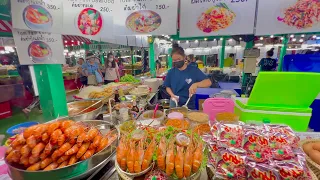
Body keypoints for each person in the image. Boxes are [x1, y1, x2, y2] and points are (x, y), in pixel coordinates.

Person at [164, 44, 212, 109]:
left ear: (184, 57)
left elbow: (208, 82)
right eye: (174, 60)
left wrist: (196, 84)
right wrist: (172, 95)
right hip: (174, 102)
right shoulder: (171, 72)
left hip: (189, 104)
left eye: (179, 59)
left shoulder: (193, 70)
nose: (177, 62)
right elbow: (167, 87)